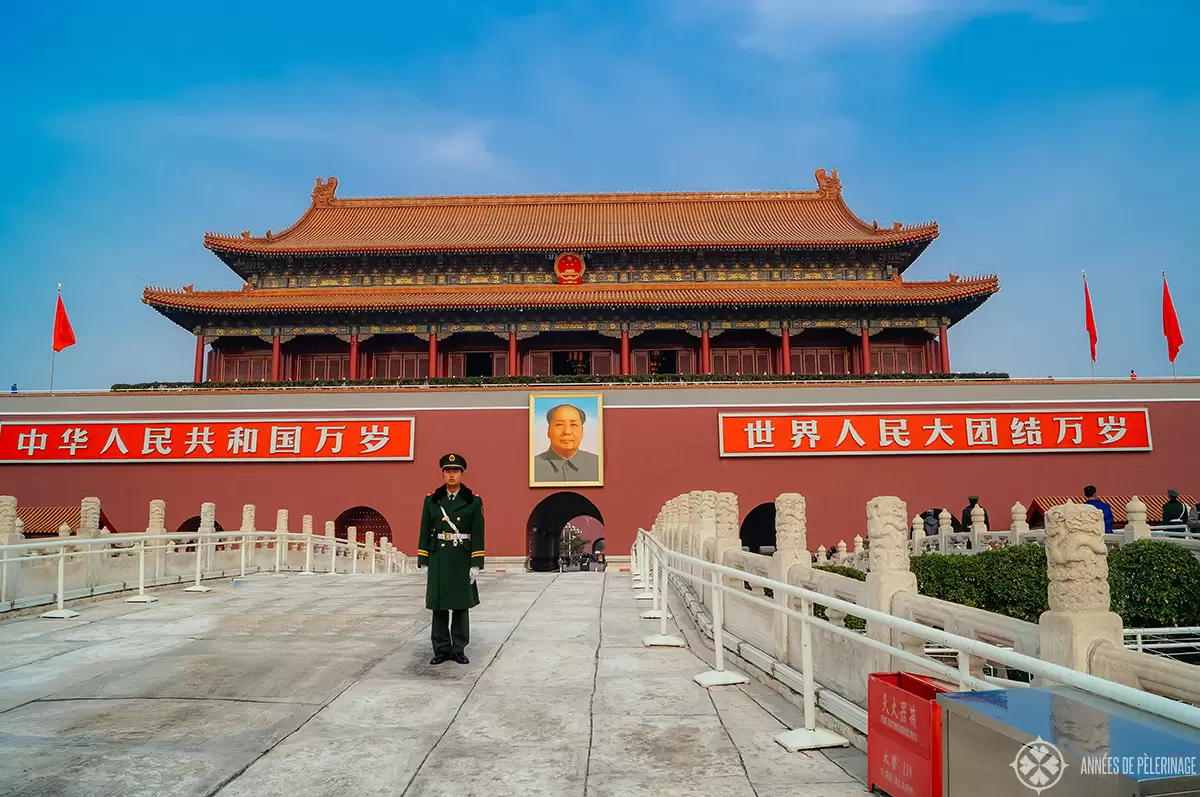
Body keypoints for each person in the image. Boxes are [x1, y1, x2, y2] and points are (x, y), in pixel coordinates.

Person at [417, 452, 485, 665]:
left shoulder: (473, 501)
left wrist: (476, 564)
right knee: (438, 604)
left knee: (459, 604)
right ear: (443, 474)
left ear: (462, 473)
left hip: (460, 557)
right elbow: (424, 529)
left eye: (455, 471)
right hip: (438, 556)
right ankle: (441, 648)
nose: (451, 474)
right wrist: (423, 559)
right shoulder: (432, 500)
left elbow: (478, 532)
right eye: (447, 471)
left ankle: (458, 647)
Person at [533, 403, 600, 482]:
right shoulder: (532, 467)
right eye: (559, 425)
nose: (567, 431)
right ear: (548, 431)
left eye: (573, 425)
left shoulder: (598, 464)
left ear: (582, 431)